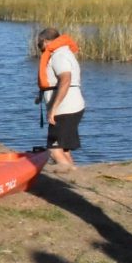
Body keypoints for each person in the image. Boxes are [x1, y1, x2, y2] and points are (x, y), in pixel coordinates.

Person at [36, 28, 84, 172]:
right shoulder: (64, 52)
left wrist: (54, 108)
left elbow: (65, 80)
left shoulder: (59, 56)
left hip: (65, 108)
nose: (39, 48)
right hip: (72, 105)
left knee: (54, 149)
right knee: (64, 148)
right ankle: (74, 172)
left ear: (45, 41)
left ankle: (68, 176)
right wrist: (41, 97)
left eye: (39, 44)